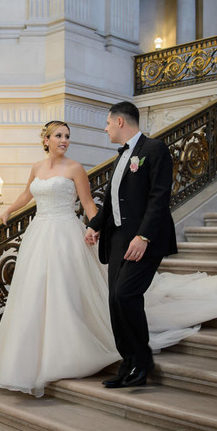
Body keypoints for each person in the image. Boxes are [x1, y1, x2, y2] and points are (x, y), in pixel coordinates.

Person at [0, 119, 217, 398]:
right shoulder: (37, 168)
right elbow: (28, 193)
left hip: (65, 233)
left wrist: (95, 226)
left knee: (65, 289)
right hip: (39, 234)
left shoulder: (75, 168)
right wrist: (7, 212)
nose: (64, 140)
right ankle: (34, 352)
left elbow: (88, 203)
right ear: (46, 139)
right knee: (35, 290)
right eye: (59, 136)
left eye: (67, 136)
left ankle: (70, 350)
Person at [85, 101, 176, 389]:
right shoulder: (120, 158)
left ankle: (142, 361)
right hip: (118, 238)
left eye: (108, 123)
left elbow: (159, 198)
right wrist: (94, 226)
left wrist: (144, 236)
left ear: (120, 122)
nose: (106, 128)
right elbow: (113, 201)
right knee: (115, 301)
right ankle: (128, 364)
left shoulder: (155, 149)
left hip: (145, 239)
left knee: (126, 295)